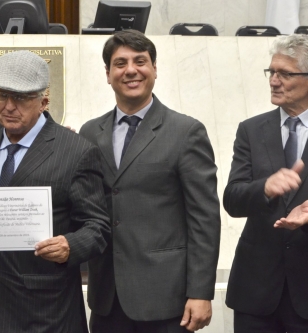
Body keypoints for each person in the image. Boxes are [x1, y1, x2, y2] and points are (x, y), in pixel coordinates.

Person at [80, 30, 221, 333]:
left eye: (140, 61)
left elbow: (204, 219)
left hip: (166, 300)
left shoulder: (185, 132)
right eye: (120, 63)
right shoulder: (90, 132)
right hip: (107, 298)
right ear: (108, 74)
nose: (130, 70)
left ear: (154, 69)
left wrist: (200, 292)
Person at [0, 50, 110, 333]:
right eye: (1, 95)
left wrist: (70, 245)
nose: (8, 106)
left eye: (20, 98)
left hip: (45, 313)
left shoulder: (76, 151)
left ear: (44, 101)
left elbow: (98, 227)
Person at [224, 34, 308, 332]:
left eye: (284, 74)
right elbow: (232, 199)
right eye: (271, 72)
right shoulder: (251, 130)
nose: (274, 81)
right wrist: (264, 187)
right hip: (256, 291)